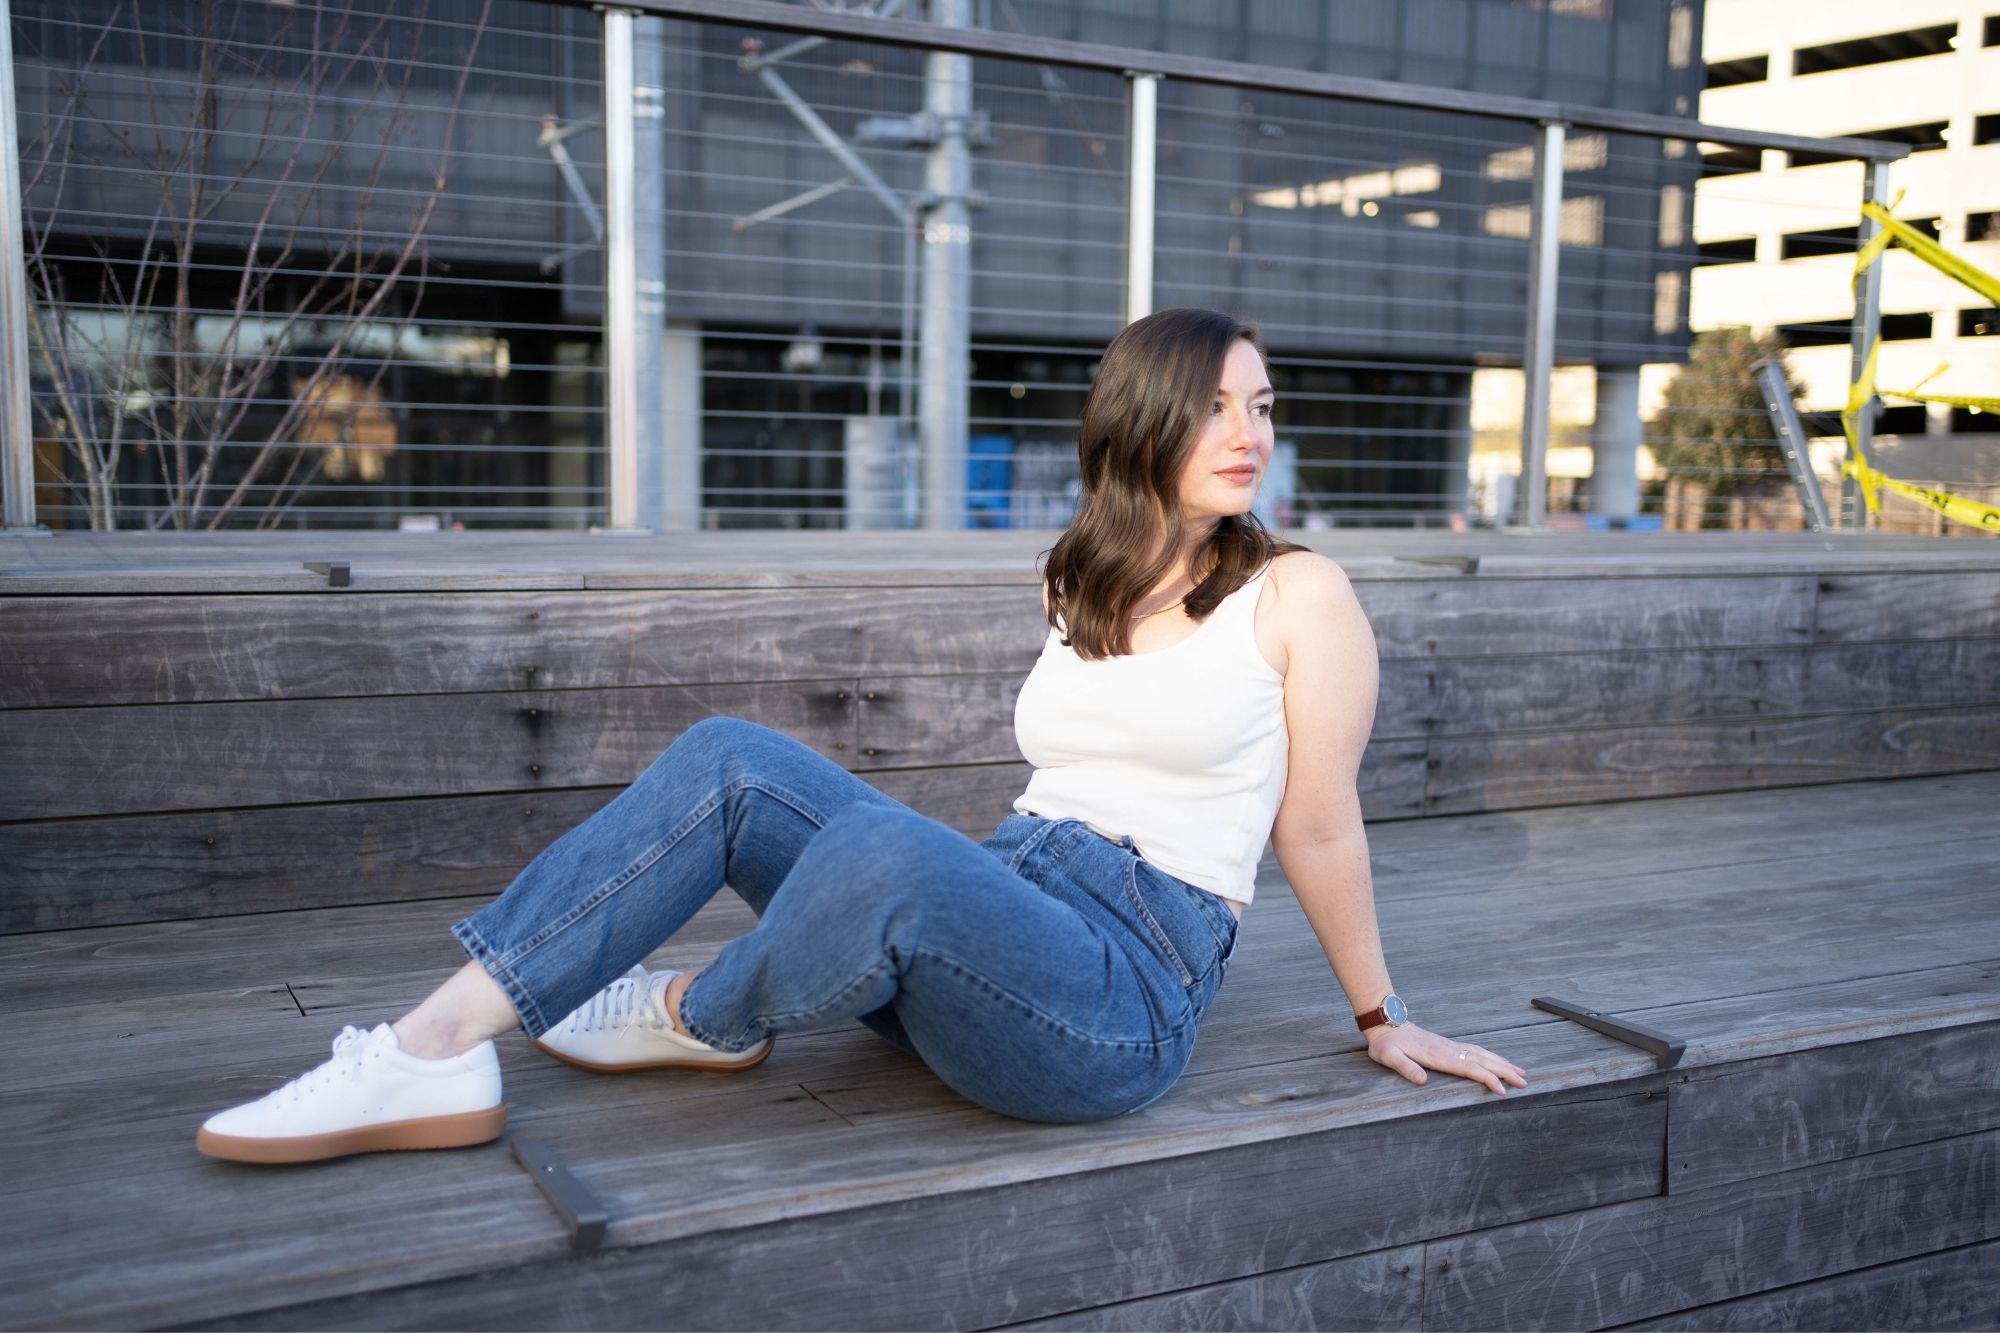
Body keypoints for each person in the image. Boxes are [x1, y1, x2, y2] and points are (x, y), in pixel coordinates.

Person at [196, 308, 1526, 1164]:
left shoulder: (1302, 594)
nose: (1251, 432)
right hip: (1006, 905)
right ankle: (424, 1051)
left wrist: (1383, 1015)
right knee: (732, 755)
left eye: (1266, 404)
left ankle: (699, 1013)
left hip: (1120, 988)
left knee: (888, 850)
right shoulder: (1081, 578)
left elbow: (1318, 819)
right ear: (1143, 419)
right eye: (1221, 403)